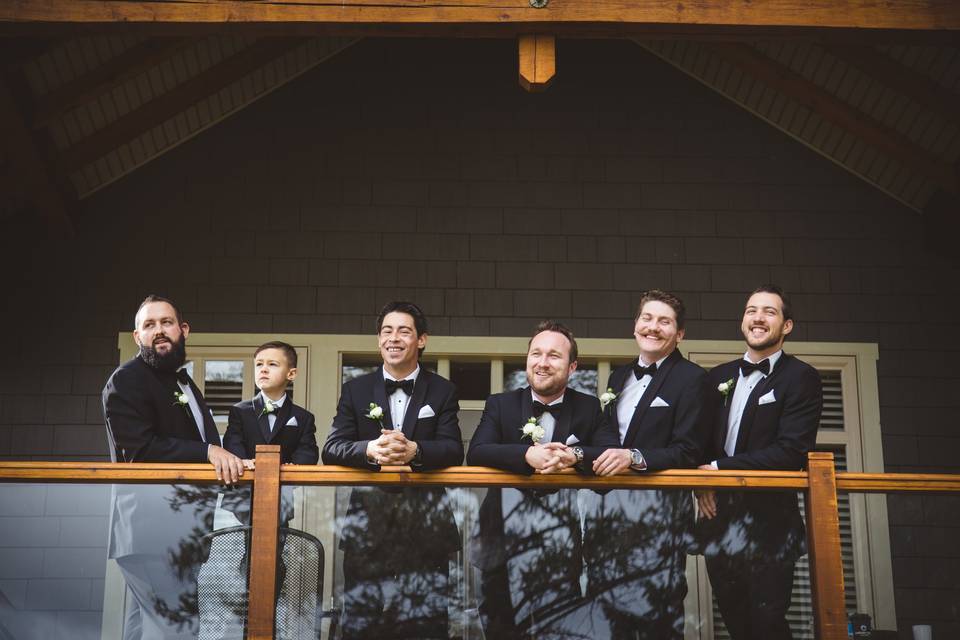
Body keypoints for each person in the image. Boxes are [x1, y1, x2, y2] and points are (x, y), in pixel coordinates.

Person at [102, 295, 247, 639]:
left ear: (183, 330)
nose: (159, 331)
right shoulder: (125, 381)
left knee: (144, 630)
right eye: (149, 325)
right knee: (178, 630)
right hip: (150, 534)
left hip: (185, 533)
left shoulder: (187, 384)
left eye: (166, 323)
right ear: (137, 337)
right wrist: (208, 452)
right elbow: (140, 451)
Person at [467, 320, 620, 638]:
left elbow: (609, 452)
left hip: (563, 544)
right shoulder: (500, 404)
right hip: (501, 541)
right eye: (536, 353)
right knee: (500, 627)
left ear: (572, 366)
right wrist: (526, 457)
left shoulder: (590, 408)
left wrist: (575, 457)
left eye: (553, 355)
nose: (542, 362)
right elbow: (478, 452)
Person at [322, 301, 463, 639]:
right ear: (378, 340)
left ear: (422, 340)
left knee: (426, 624)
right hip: (367, 528)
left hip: (427, 527)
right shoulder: (355, 389)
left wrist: (416, 450)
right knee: (361, 623)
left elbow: (454, 450)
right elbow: (332, 448)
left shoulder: (443, 390)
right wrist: (370, 450)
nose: (393, 338)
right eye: (387, 331)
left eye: (404, 331)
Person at [695, 285, 822, 640]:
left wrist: (718, 471)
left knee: (767, 626)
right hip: (718, 522)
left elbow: (791, 451)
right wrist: (699, 483)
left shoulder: (802, 377)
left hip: (771, 528)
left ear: (787, 326)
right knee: (737, 626)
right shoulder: (716, 378)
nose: (758, 318)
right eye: (752, 310)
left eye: (769, 311)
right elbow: (699, 444)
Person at [586, 289, 712, 639]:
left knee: (659, 622)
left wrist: (635, 457)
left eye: (664, 321)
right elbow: (607, 436)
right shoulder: (617, 377)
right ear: (635, 325)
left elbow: (689, 450)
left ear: (680, 333)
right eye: (647, 318)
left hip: (660, 522)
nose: (653, 327)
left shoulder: (692, 379)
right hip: (610, 520)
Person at [223, 340, 318, 467]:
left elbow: (308, 452)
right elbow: (232, 445)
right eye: (259, 364)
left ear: (291, 374)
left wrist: (294, 467)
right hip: (246, 482)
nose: (263, 369)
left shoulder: (304, 417)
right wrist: (242, 461)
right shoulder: (240, 411)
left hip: (285, 484)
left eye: (272, 364)